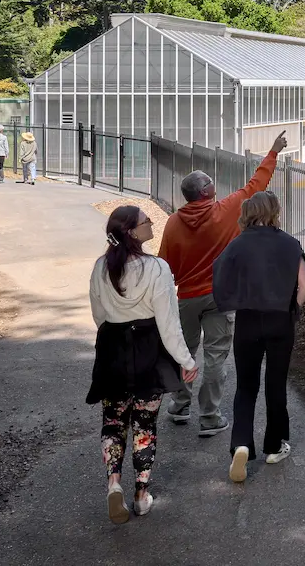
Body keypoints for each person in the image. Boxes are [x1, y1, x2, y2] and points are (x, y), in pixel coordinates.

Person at [158, 131, 288, 437]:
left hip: (186, 297)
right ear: (207, 192)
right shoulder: (225, 211)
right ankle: (210, 416)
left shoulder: (174, 223)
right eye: (211, 184)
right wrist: (273, 151)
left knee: (185, 351)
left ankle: (179, 404)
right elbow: (257, 184)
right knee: (216, 354)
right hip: (220, 296)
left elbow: (165, 267)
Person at [87, 206, 198, 523]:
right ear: (132, 232)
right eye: (145, 221)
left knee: (113, 421)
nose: (151, 223)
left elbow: (98, 315)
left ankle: (113, 484)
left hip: (112, 349)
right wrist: (185, 360)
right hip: (148, 349)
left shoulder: (100, 267)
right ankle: (141, 494)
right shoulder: (157, 269)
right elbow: (168, 323)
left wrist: (113, 334)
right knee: (144, 426)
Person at [213, 191, 305, 482]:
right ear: (275, 211)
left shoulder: (237, 245)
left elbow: (218, 274)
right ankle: (273, 445)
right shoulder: (290, 244)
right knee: (276, 384)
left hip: (247, 321)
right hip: (281, 321)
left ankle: (242, 443)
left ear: (246, 213)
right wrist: (292, 309)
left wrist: (232, 302)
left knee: (246, 386)